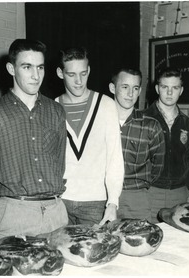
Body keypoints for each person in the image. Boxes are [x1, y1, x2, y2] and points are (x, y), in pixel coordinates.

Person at [0, 39, 68, 241]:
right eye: (27, 67)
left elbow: (59, 161)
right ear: (11, 68)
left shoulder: (56, 111)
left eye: (40, 67)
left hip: (55, 214)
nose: (36, 75)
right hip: (14, 214)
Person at [55, 47, 124, 226]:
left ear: (89, 71)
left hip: (96, 203)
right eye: (71, 74)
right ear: (60, 73)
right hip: (60, 202)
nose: (79, 81)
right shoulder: (52, 107)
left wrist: (113, 202)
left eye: (83, 73)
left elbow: (115, 158)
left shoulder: (106, 105)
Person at [109, 67, 165, 221]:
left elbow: (157, 167)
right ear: (112, 88)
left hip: (136, 198)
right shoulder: (99, 121)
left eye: (135, 88)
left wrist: (138, 184)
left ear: (140, 91)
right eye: (125, 87)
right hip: (102, 197)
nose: (130, 94)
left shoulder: (150, 125)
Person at [143, 67, 189, 223]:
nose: (169, 92)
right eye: (165, 87)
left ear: (181, 90)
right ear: (157, 88)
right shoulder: (143, 119)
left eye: (175, 88)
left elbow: (187, 158)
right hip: (151, 192)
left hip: (179, 192)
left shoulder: (188, 124)